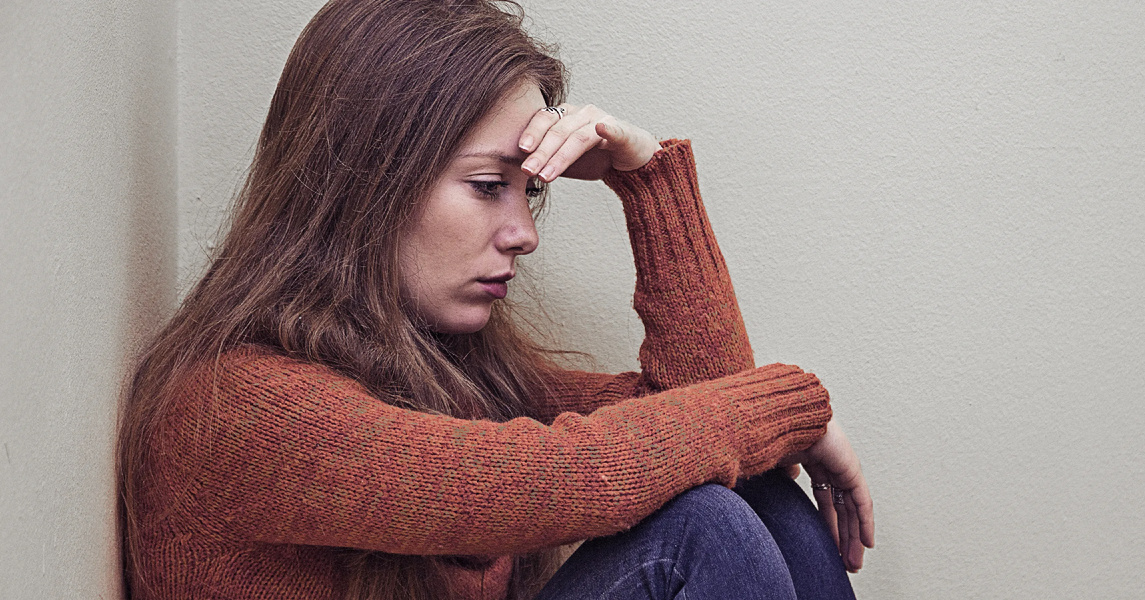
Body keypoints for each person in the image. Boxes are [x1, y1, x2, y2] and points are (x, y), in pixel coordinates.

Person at [117, 0, 874, 598]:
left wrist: (647, 178)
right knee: (703, 524)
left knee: (744, 482)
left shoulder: (446, 377)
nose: (524, 234)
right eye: (487, 187)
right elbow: (567, 474)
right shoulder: (233, 407)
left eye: (528, 192)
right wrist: (793, 408)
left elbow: (698, 413)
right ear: (366, 182)